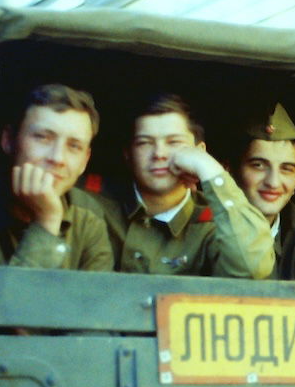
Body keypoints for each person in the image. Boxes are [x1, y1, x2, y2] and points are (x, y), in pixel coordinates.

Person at [84, 93, 274, 277]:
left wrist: (209, 170)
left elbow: (253, 266)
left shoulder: (217, 223)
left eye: (174, 142)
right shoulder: (89, 201)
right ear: (128, 154)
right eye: (144, 143)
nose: (159, 153)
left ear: (199, 151)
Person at [0, 83, 113, 271]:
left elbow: (96, 299)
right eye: (42, 137)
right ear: (8, 140)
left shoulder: (88, 217)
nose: (57, 158)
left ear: (84, 161)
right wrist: (47, 221)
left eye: (74, 146)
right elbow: (14, 299)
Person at [233, 103, 295, 281]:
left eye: (286, 169)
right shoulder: (203, 226)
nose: (273, 182)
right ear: (230, 172)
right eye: (258, 165)